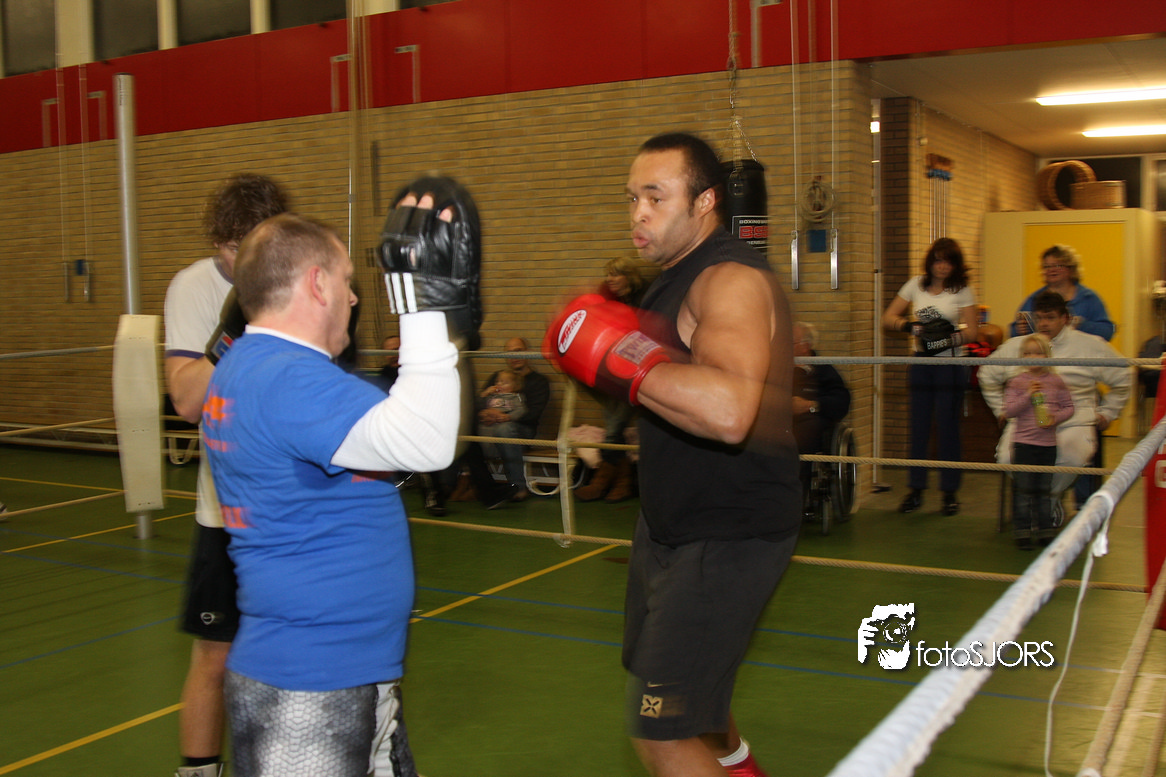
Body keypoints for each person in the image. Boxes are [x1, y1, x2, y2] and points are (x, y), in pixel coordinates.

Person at [545, 131, 801, 777]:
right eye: (632, 197)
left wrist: (619, 355)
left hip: (728, 532)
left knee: (661, 730)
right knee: (690, 696)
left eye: (656, 197)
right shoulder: (668, 281)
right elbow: (670, 393)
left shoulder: (729, 278)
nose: (638, 213)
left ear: (705, 201)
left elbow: (729, 412)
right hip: (668, 525)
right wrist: (610, 403)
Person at [203, 177, 472, 776]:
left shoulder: (256, 365)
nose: (352, 298)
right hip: (308, 687)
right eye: (347, 281)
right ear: (317, 283)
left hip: (342, 675)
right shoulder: (286, 377)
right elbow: (427, 444)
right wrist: (423, 309)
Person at [163, 172, 289, 777]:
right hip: (228, 509)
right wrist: (235, 333)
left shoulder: (299, 277)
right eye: (233, 247)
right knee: (215, 657)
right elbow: (187, 401)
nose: (243, 260)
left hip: (294, 508)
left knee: (293, 657)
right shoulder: (193, 287)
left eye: (255, 245)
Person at [979, 291, 1131, 523]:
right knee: (1007, 457)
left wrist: (1108, 412)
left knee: (1070, 457)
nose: (1043, 324)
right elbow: (986, 374)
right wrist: (1002, 409)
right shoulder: (1017, 346)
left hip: (1074, 419)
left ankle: (1048, 503)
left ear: (1065, 318)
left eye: (1050, 317)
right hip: (1026, 422)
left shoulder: (1090, 345)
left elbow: (1124, 377)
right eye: (1039, 318)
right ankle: (1038, 503)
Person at [881, 237, 978, 516]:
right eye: (938, 260)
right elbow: (887, 317)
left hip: (950, 364)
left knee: (948, 427)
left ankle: (949, 492)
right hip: (921, 363)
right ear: (930, 262)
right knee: (919, 426)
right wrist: (910, 327)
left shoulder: (962, 289)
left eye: (948, 261)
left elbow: (974, 332)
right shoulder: (915, 284)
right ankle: (915, 490)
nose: (942, 266)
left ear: (956, 264)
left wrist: (948, 339)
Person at [577, 256, 649, 502]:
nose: (609, 279)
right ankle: (621, 479)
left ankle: (605, 478)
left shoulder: (645, 299)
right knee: (613, 421)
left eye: (615, 274)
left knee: (615, 423)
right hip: (613, 370)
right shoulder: (608, 301)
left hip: (639, 371)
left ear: (629, 277)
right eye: (608, 274)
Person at [446, 337, 550, 506]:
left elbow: (533, 413)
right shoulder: (497, 377)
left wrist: (505, 417)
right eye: (509, 353)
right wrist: (484, 414)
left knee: (504, 429)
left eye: (518, 351)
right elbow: (477, 403)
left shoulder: (539, 381)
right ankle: (467, 483)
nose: (514, 356)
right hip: (491, 426)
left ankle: (518, 487)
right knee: (465, 429)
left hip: (521, 429)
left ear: (528, 353)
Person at [1002, 334, 1074, 549]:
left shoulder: (1056, 381)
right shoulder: (1016, 382)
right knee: (1023, 490)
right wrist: (1027, 395)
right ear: (1022, 357)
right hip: (1024, 444)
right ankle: (1022, 532)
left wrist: (1055, 418)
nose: (1033, 357)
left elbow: (1069, 407)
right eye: (1028, 353)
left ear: (1047, 356)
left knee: (1044, 490)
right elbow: (1009, 411)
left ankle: (1045, 531)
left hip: (1048, 446)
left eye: (1038, 353)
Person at [792, 322, 851, 516]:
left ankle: (795, 505)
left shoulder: (824, 370)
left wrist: (810, 405)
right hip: (780, 421)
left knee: (803, 436)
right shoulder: (777, 368)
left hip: (810, 421)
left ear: (805, 346)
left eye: (791, 343)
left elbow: (841, 402)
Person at [1011, 245, 1115, 341]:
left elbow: (1107, 332)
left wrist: (1081, 325)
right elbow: (1013, 332)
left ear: (1071, 268)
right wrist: (1020, 330)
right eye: (1046, 267)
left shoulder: (1089, 298)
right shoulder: (1034, 299)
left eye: (1057, 265)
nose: (1051, 270)